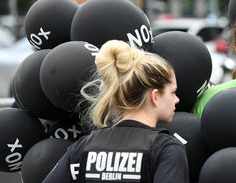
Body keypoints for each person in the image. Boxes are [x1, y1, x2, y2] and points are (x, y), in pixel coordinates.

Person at [42, 40, 189, 182]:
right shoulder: (166, 150)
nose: (177, 100)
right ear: (155, 96)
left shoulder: (84, 147)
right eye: (173, 92)